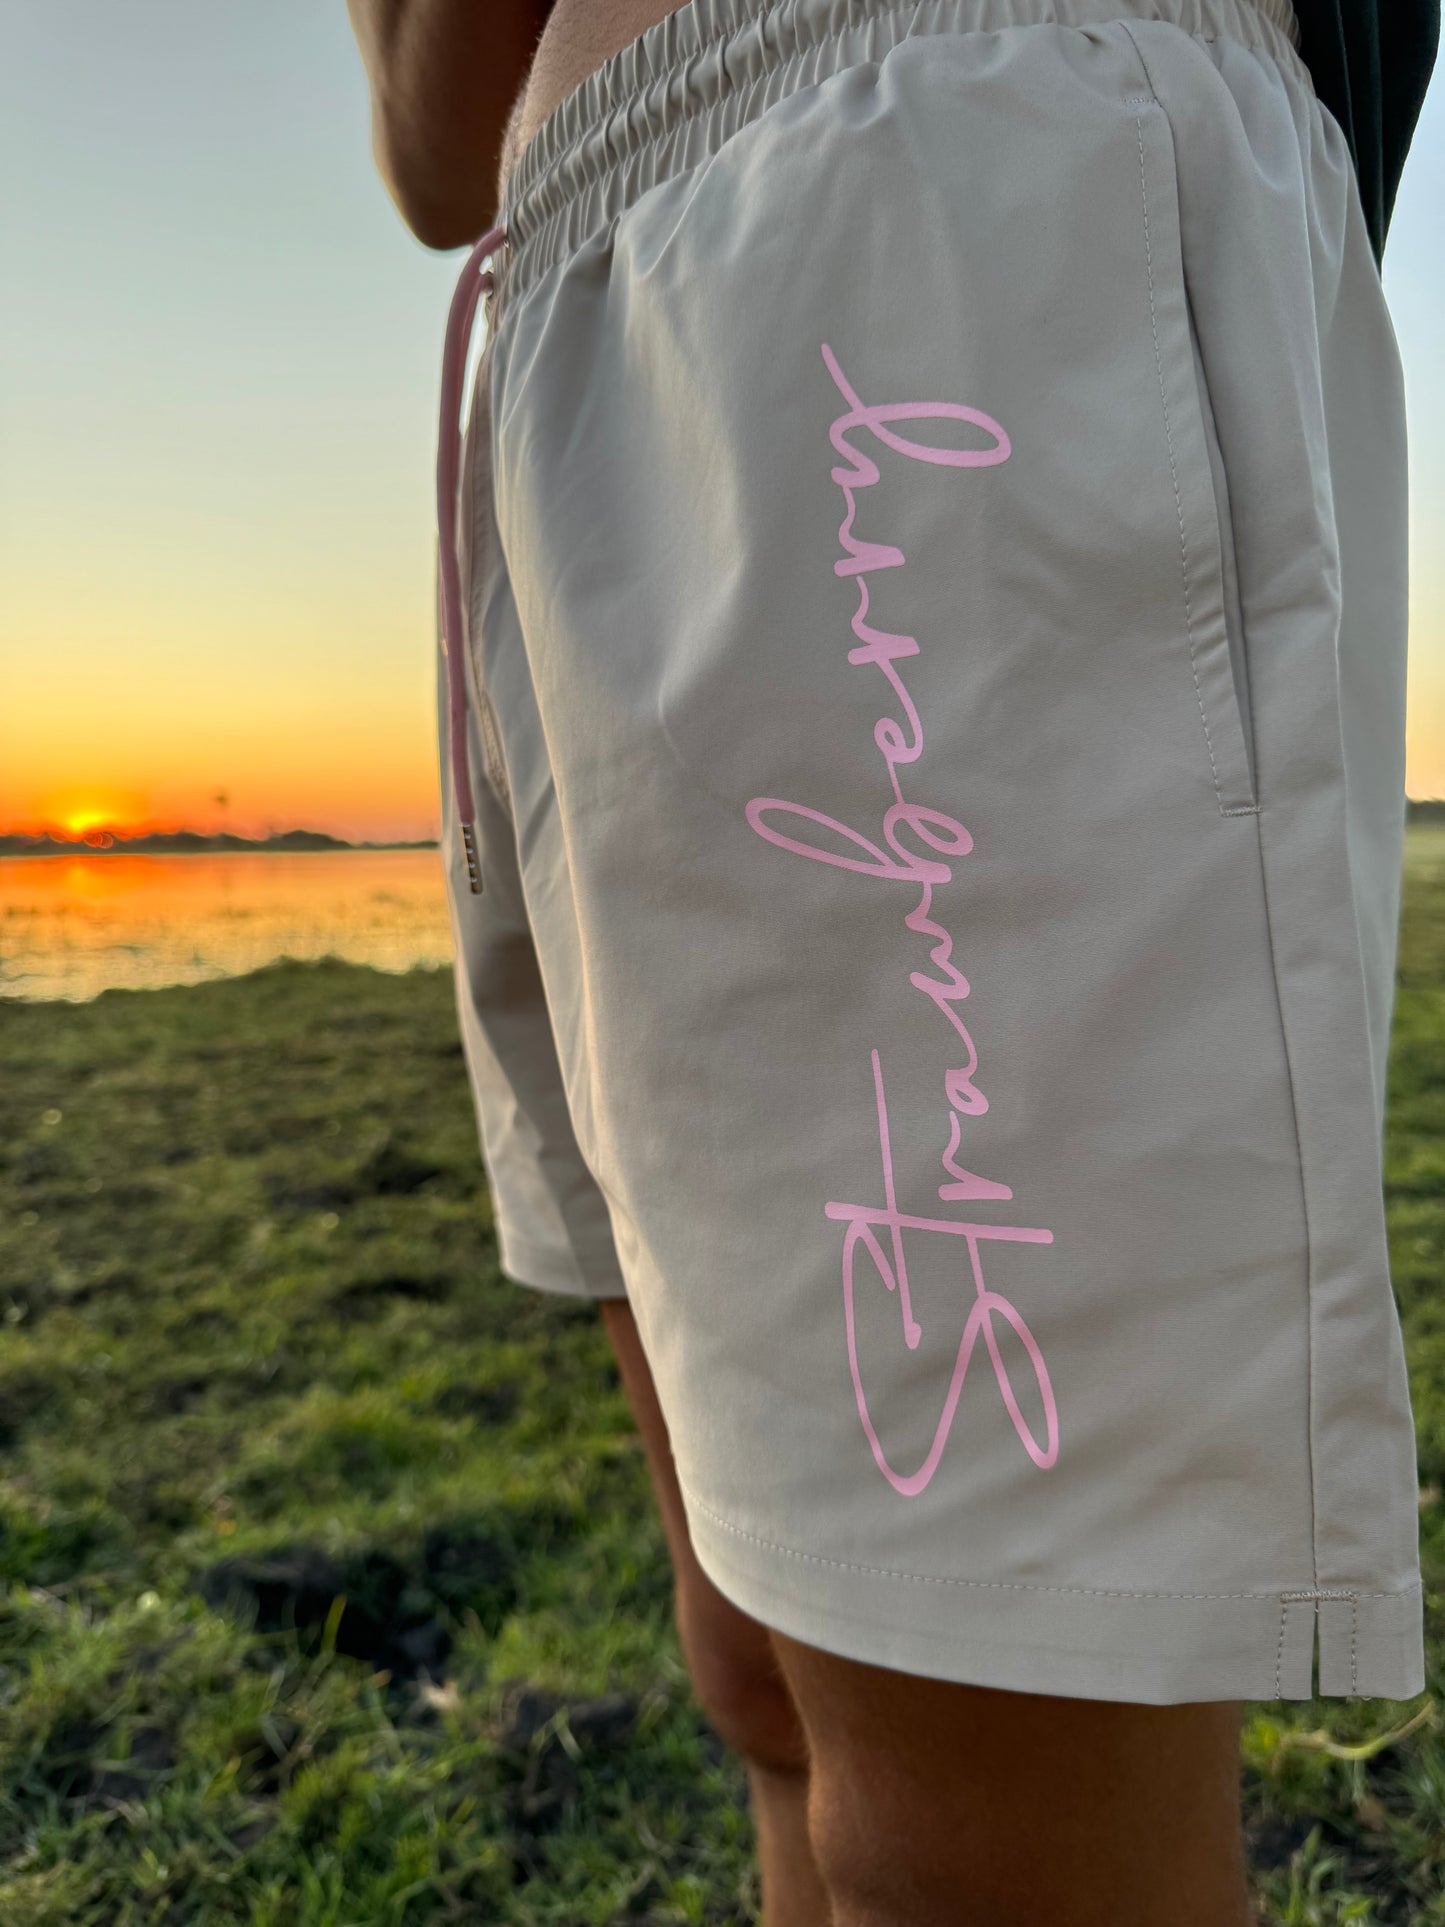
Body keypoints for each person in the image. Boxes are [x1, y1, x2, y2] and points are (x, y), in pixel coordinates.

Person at [347, 3, 1438, 1920]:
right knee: (764, 1668)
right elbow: (442, 151)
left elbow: (415, 117)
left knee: (976, 1841)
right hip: (583, 287)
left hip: (910, 179)